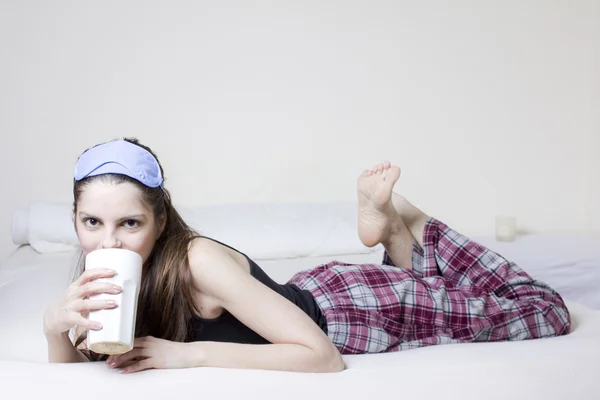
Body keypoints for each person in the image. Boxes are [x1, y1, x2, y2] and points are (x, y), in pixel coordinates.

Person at [42, 138, 571, 374]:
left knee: (542, 309)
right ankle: (393, 234)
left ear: (159, 220)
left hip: (357, 310)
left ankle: (411, 223)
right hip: (315, 289)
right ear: (75, 221)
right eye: (93, 223)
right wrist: (54, 331)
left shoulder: (195, 260)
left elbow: (321, 357)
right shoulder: (103, 277)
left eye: (129, 223)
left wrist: (185, 355)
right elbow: (79, 379)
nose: (108, 243)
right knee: (452, 289)